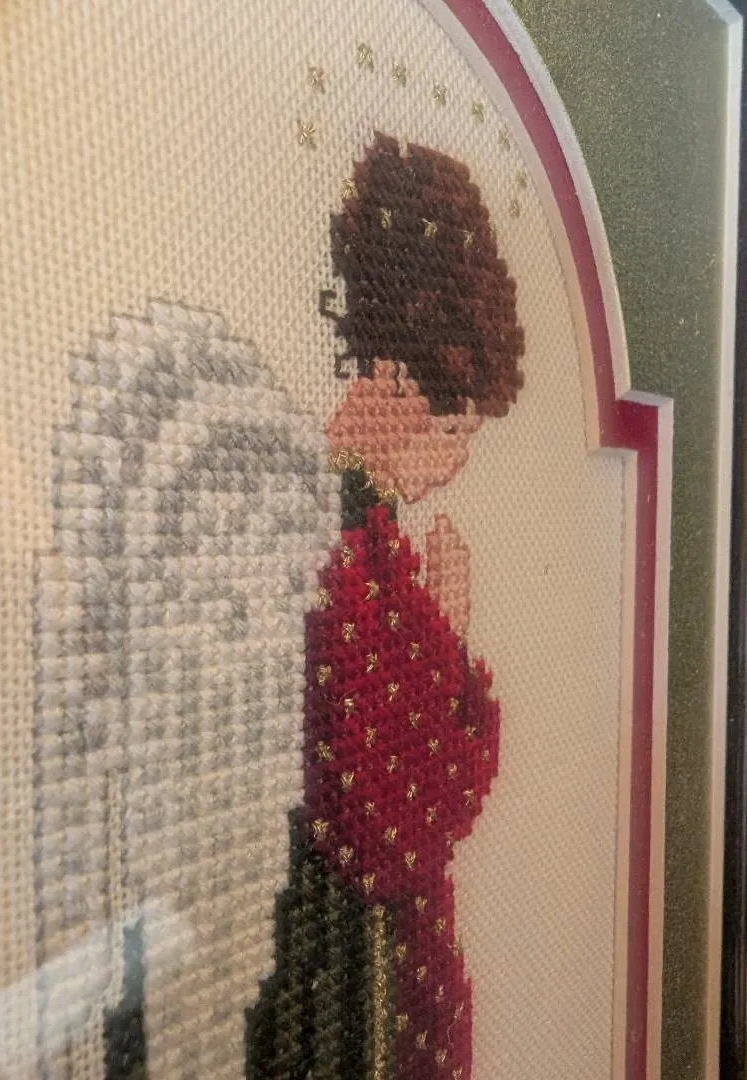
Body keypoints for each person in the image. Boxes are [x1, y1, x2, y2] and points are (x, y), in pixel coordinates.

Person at [247, 133, 524, 1080]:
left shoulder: (363, 540)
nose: (453, 463)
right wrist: (450, 633)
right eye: (455, 430)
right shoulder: (347, 553)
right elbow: (397, 823)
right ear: (398, 382)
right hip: (348, 981)